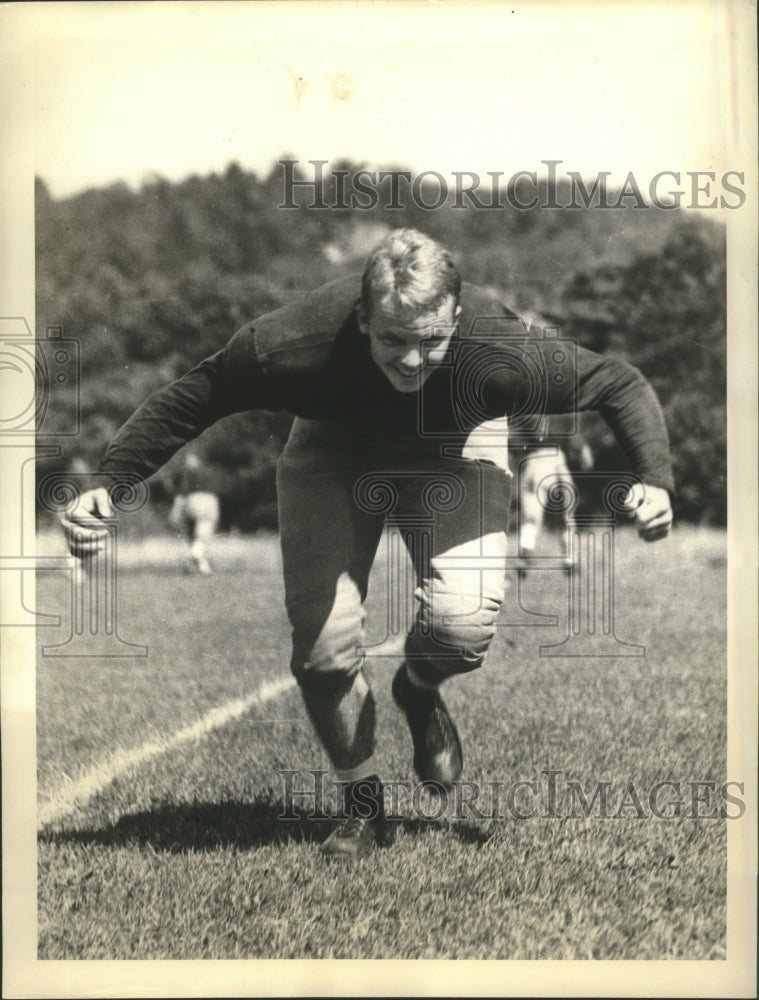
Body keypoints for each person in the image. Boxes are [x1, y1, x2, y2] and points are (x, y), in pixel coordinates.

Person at [59, 229, 674, 861]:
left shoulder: (501, 349)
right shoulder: (294, 344)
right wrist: (110, 481)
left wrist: (654, 480)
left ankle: (418, 687)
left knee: (462, 628)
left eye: (431, 341)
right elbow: (198, 394)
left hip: (454, 450)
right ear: (361, 317)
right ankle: (362, 805)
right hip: (334, 450)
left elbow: (617, 383)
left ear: (457, 320)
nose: (411, 361)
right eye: (393, 340)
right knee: (324, 653)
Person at [511, 417, 595, 575]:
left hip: (533, 463)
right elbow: (577, 444)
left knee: (531, 518)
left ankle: (525, 555)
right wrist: (583, 452)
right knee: (567, 517)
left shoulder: (528, 411)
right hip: (555, 462)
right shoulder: (562, 407)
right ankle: (570, 560)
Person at [167, 451, 220, 575]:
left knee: (193, 536)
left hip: (190, 502)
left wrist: (175, 510)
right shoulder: (207, 471)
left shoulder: (183, 473)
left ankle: (203, 567)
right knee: (203, 535)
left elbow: (180, 493)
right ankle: (195, 554)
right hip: (207, 501)